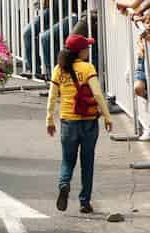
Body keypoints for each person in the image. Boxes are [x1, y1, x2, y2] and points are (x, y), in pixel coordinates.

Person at [47, 33, 113, 214]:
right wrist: (107, 116)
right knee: (87, 161)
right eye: (86, 48)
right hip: (89, 122)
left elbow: (53, 96)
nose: (88, 51)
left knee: (68, 160)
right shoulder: (87, 68)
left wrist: (49, 119)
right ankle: (85, 201)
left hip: (68, 121)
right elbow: (98, 94)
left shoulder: (58, 69)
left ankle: (64, 183)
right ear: (80, 51)